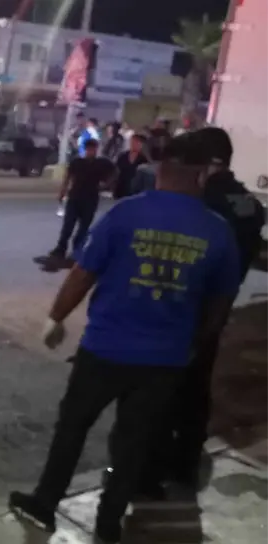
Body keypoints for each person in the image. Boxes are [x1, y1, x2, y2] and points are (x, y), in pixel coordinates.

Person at [9, 132, 242, 544]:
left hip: (105, 350)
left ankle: (45, 504)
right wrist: (193, 343)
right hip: (164, 359)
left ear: (158, 172)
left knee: (73, 428)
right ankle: (108, 523)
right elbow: (220, 304)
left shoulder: (125, 214)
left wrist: (55, 317)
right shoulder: (217, 231)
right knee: (133, 443)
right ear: (201, 176)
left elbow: (84, 272)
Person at [109, 127, 266, 495]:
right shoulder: (251, 205)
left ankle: (145, 473)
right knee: (196, 392)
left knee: (156, 395)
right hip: (217, 309)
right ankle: (183, 465)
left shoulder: (203, 203)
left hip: (179, 310)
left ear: (207, 164)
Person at [47, 139, 116, 266]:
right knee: (68, 225)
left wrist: (106, 185)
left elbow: (114, 173)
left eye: (93, 149)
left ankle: (77, 250)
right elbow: (68, 176)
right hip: (75, 197)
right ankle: (61, 248)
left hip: (90, 198)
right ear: (86, 149)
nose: (91, 152)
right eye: (89, 149)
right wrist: (63, 191)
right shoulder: (77, 162)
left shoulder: (101, 163)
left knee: (84, 227)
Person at [112, 134, 149, 200]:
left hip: (135, 193)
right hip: (121, 190)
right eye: (132, 142)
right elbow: (116, 172)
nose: (134, 144)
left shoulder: (143, 160)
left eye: (136, 142)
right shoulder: (122, 156)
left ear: (141, 144)